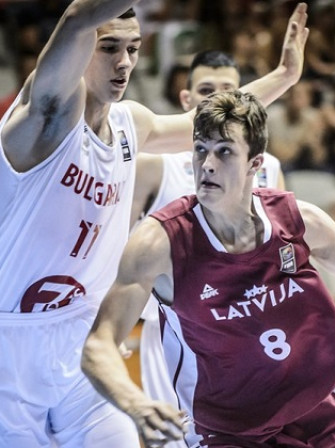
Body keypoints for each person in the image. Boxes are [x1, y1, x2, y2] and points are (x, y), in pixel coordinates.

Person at [0, 1, 310, 446]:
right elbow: (76, 18)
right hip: (6, 341)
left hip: (80, 333)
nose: (124, 62)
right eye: (109, 48)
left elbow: (216, 125)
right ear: (80, 49)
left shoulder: (131, 125)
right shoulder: (42, 119)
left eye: (134, 48)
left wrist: (285, 76)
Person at [81, 90, 335, 447]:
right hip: (229, 432)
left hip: (321, 414)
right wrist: (135, 403)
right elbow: (99, 345)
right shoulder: (160, 243)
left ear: (256, 164)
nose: (207, 164)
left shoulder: (296, 220)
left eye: (224, 152)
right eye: (200, 150)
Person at [131, 51, 285, 448]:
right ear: (186, 102)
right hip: (177, 331)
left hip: (250, 326)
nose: (218, 99)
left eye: (229, 90)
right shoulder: (154, 164)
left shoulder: (267, 168)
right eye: (205, 91)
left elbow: (287, 258)